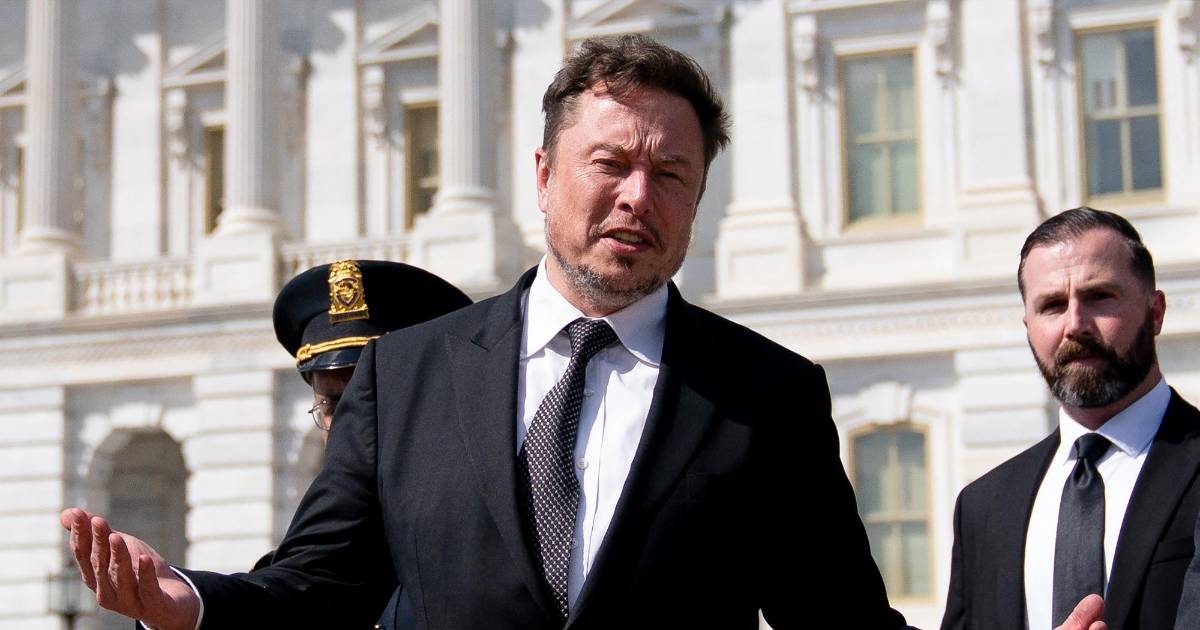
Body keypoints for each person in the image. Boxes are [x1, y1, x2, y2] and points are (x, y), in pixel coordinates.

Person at [57, 35, 1108, 630]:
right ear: (545, 174)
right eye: (610, 164)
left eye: (672, 173)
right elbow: (318, 591)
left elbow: (840, 627)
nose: (637, 197)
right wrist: (188, 600)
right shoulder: (406, 375)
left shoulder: (768, 395)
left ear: (697, 200)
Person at [64, 259, 470, 630]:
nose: (352, 427)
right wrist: (181, 605)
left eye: (371, 400)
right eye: (333, 405)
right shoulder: (309, 564)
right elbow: (277, 603)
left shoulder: (476, 518)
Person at [941, 207, 1200, 630]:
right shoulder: (983, 508)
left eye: (1099, 297)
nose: (1075, 324)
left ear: (1155, 312)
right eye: (1052, 306)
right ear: (1028, 327)